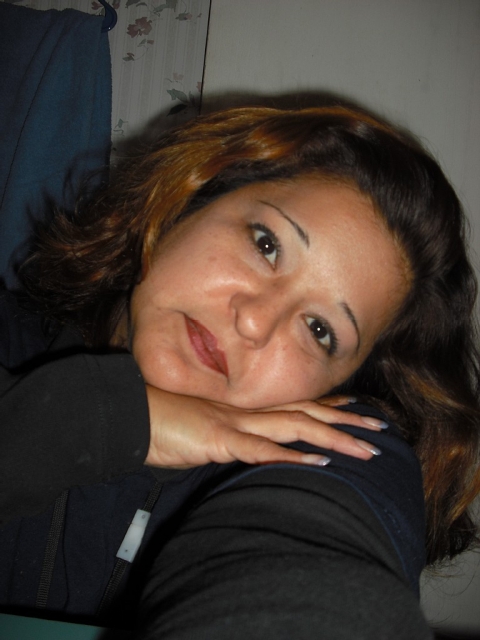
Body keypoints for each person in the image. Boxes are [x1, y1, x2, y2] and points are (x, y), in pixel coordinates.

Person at [0, 106, 478, 636]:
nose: (254, 321)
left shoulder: (337, 450)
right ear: (183, 204)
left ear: (337, 386)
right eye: (266, 245)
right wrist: (110, 421)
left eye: (319, 330)